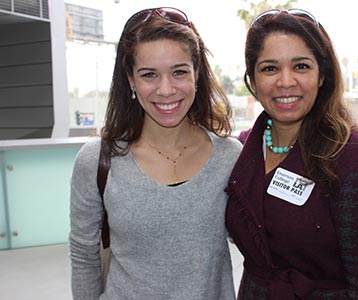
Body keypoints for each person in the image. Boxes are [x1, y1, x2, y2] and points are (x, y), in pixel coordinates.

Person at [225, 8, 358, 300]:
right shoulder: (243, 150)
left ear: (322, 75)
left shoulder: (355, 157)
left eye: (301, 66)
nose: (286, 81)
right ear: (253, 81)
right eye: (270, 68)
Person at [69, 7, 241, 300]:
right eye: (149, 75)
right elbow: (84, 256)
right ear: (131, 80)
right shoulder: (97, 160)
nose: (166, 89)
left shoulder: (230, 156)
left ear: (196, 73)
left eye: (179, 72)